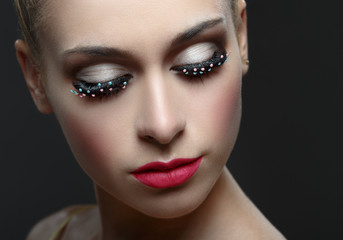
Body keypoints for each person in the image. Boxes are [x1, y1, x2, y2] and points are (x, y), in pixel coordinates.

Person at [14, 0, 286, 239]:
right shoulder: (54, 232)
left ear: (241, 37)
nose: (162, 126)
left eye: (198, 63)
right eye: (102, 81)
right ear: (36, 79)